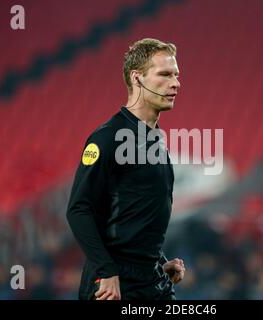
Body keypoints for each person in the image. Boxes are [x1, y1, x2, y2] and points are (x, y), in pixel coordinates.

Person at [66, 38, 185, 300]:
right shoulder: (108, 137)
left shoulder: (155, 138)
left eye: (176, 75)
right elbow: (78, 209)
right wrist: (106, 271)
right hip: (114, 284)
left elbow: (135, 213)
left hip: (151, 278)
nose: (176, 83)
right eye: (164, 74)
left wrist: (157, 261)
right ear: (137, 78)